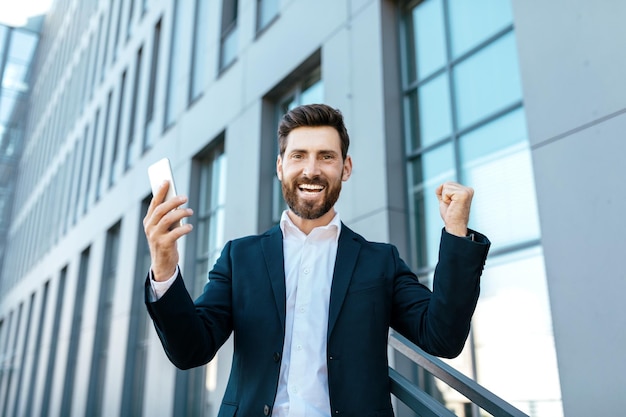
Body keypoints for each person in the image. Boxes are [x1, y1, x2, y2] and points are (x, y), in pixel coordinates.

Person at [143, 104, 490, 417]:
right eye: (298, 156)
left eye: (326, 156)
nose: (311, 170)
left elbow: (442, 337)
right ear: (280, 167)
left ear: (346, 167)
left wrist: (457, 233)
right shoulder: (240, 257)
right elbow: (191, 350)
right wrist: (164, 267)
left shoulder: (380, 261)